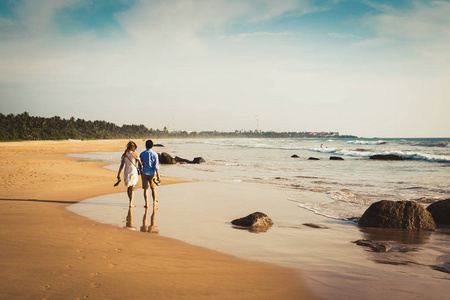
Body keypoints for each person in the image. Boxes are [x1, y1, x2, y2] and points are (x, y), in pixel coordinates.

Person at [117, 141, 142, 207]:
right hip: (133, 172)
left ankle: (130, 201)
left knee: (128, 187)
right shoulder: (135, 154)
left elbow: (122, 165)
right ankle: (131, 203)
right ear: (133, 147)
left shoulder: (124, 155)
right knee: (132, 187)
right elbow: (140, 163)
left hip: (126, 171)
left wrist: (118, 173)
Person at [140, 139, 161, 207]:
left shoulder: (142, 154)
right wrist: (158, 176)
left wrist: (141, 172)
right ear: (152, 146)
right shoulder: (155, 154)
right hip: (152, 173)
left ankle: (146, 203)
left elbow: (140, 164)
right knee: (153, 189)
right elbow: (156, 166)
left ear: (145, 146)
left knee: (146, 189)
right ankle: (154, 202)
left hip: (144, 172)